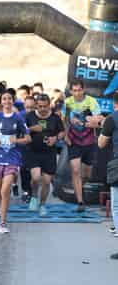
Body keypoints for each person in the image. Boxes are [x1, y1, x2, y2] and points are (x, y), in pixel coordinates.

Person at [0, 89, 31, 233]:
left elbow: (28, 138)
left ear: (13, 100)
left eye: (9, 99)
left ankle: (3, 223)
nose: (6, 101)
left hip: (12, 157)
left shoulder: (18, 118)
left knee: (5, 190)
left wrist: (16, 140)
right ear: (1, 102)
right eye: (4, 99)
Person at [64, 79, 104, 212]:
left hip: (89, 141)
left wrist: (84, 121)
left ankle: (79, 186)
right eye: (74, 90)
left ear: (83, 89)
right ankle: (80, 202)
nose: (77, 93)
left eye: (79, 90)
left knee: (86, 174)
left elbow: (99, 121)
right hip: (73, 141)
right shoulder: (67, 102)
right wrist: (65, 135)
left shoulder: (91, 101)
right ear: (71, 91)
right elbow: (63, 120)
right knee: (75, 170)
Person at [25, 93, 65, 216]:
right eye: (40, 106)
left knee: (47, 181)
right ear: (36, 105)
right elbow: (21, 130)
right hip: (33, 151)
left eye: (45, 106)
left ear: (49, 106)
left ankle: (42, 204)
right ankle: (33, 196)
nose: (42, 109)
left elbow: (62, 132)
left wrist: (56, 139)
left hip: (49, 153)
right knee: (36, 178)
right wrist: (31, 129)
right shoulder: (29, 116)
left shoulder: (55, 118)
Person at [98, 92, 118, 259]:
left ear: (114, 104)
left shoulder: (112, 118)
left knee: (117, 206)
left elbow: (101, 143)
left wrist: (102, 125)